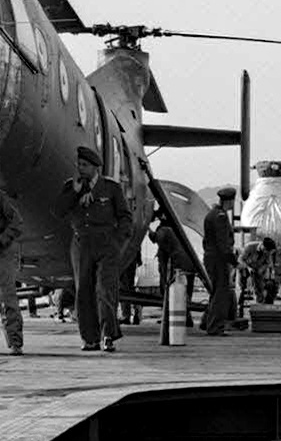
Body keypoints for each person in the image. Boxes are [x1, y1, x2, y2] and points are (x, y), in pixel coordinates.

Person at [53, 146, 132, 352]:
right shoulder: (72, 187)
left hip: (106, 244)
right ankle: (90, 338)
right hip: (82, 244)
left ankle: (108, 335)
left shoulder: (111, 188)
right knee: (83, 291)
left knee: (105, 290)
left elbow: (125, 217)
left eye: (85, 165)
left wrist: (118, 242)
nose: (80, 168)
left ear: (96, 167)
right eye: (79, 164)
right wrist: (74, 193)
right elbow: (58, 211)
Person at [202, 187, 238, 337]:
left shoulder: (211, 214)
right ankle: (215, 327)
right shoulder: (221, 217)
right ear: (229, 201)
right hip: (219, 260)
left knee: (215, 292)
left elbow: (206, 241)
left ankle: (207, 322)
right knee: (221, 294)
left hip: (211, 257)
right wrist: (234, 261)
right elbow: (224, 244)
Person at [149, 217, 195, 327]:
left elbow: (157, 238)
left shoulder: (164, 231)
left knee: (172, 292)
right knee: (185, 293)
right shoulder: (176, 233)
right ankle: (186, 317)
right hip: (190, 264)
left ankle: (171, 318)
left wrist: (148, 230)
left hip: (179, 266)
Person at [0, 190, 24, 355]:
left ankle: (15, 342)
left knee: (7, 296)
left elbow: (17, 222)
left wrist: (2, 240)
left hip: (3, 251)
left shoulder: (1, 198)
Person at [240, 238, 279, 304]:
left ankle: (260, 302)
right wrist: (248, 271)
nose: (267, 254)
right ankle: (240, 303)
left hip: (257, 270)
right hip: (245, 268)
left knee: (260, 288)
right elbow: (240, 260)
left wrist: (262, 269)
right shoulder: (249, 247)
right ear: (263, 247)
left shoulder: (268, 253)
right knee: (243, 286)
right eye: (267, 252)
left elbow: (268, 263)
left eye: (269, 253)